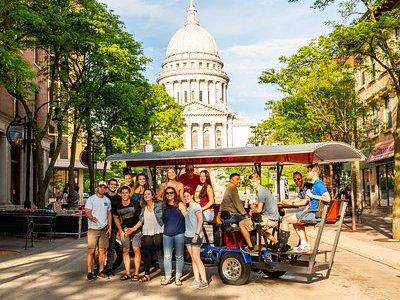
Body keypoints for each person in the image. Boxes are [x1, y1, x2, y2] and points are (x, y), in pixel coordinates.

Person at [278, 164, 331, 252]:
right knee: (295, 221)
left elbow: (328, 198)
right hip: (311, 212)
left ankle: (282, 246)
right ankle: (304, 244)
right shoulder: (315, 185)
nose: (307, 174)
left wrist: (312, 195)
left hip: (313, 214)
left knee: (285, 219)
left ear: (314, 172)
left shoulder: (318, 184)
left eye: (308, 171)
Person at [239, 173, 279, 252]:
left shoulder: (261, 192)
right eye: (251, 182)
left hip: (268, 219)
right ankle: (277, 242)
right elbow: (260, 206)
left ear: (258, 181)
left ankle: (250, 247)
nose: (252, 184)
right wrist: (255, 207)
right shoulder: (263, 190)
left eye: (253, 181)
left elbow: (259, 210)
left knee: (241, 224)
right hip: (274, 219)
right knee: (259, 229)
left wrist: (252, 210)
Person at [130, 188, 164, 283]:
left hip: (158, 231)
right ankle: (147, 275)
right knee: (147, 255)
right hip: (146, 233)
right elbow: (141, 221)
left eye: (149, 194)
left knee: (160, 254)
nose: (146, 195)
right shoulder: (143, 208)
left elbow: (165, 217)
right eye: (145, 194)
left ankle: (163, 275)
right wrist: (133, 229)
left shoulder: (159, 206)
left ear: (153, 196)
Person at [113, 185, 142, 281]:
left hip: (136, 230)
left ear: (130, 194)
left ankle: (137, 273)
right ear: (120, 194)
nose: (125, 194)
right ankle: (128, 273)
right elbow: (115, 217)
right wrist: (120, 230)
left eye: (126, 193)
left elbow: (141, 219)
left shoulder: (135, 204)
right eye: (123, 193)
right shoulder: (117, 205)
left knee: (136, 249)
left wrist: (133, 229)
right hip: (124, 231)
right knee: (125, 250)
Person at [84, 181, 112, 280]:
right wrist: (92, 218)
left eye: (105, 187)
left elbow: (109, 214)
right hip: (93, 229)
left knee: (102, 250)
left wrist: (110, 227)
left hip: (104, 228)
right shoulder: (91, 199)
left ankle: (101, 271)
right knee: (91, 250)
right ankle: (89, 271)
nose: (103, 189)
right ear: (97, 187)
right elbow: (87, 211)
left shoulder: (107, 200)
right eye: (101, 187)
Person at [183, 188, 208, 289]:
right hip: (188, 235)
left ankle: (204, 281)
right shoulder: (188, 208)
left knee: (197, 258)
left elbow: (200, 220)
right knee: (193, 259)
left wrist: (196, 234)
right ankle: (197, 280)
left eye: (188, 196)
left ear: (192, 196)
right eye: (184, 196)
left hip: (195, 236)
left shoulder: (196, 206)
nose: (186, 198)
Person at [161, 186, 187, 286]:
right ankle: (168, 277)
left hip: (179, 234)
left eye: (171, 193)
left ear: (175, 194)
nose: (169, 195)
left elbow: (187, 217)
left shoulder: (180, 204)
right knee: (167, 256)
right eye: (167, 193)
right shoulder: (164, 206)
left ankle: (178, 277)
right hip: (167, 234)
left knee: (179, 256)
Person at [104, 178, 121, 276]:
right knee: (101, 249)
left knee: (111, 248)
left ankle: (109, 268)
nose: (113, 186)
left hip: (114, 227)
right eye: (111, 184)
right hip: (102, 226)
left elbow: (120, 214)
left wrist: (120, 228)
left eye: (115, 185)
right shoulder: (104, 196)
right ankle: (99, 267)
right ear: (108, 185)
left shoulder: (119, 198)